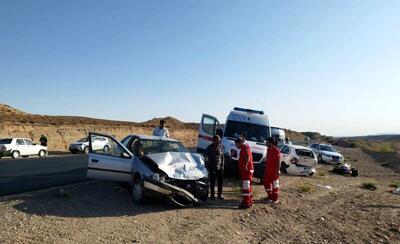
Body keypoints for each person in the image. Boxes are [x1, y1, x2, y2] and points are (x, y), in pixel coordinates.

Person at [235, 137, 254, 209]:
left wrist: (245, 165)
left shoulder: (244, 147)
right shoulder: (245, 147)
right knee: (248, 186)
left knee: (246, 186)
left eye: (236, 144)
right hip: (246, 170)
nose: (236, 146)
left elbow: (247, 156)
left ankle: (246, 203)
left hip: (246, 170)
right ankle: (249, 201)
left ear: (239, 143)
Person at [206, 135, 225, 200]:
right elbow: (206, 158)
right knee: (212, 182)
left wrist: (222, 166)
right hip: (212, 167)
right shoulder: (209, 148)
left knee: (220, 182)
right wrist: (207, 167)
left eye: (219, 140)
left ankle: (220, 195)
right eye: (218, 140)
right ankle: (212, 195)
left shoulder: (221, 147)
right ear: (214, 141)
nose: (219, 141)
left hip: (219, 167)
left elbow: (222, 157)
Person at [264, 137, 281, 204]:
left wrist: (277, 171)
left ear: (271, 143)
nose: (266, 143)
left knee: (275, 185)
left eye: (267, 142)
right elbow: (268, 159)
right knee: (266, 183)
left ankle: (275, 199)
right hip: (268, 171)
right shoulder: (268, 149)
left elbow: (278, 162)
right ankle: (270, 196)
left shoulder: (276, 150)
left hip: (274, 172)